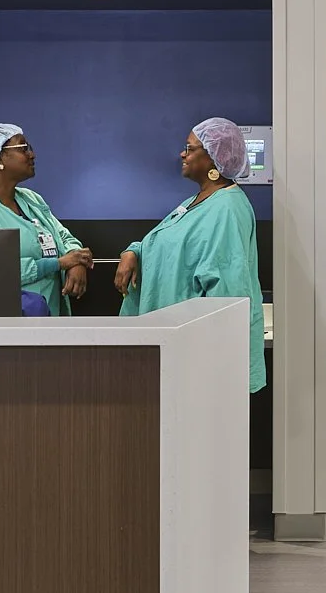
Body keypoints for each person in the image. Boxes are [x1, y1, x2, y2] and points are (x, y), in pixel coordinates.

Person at [114, 118, 267, 394]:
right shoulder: (196, 203)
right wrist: (132, 252)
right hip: (171, 341)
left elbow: (227, 292)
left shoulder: (226, 210)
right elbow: (163, 240)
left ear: (214, 158)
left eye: (190, 148)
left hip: (196, 355)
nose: (182, 154)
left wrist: (213, 365)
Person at [0, 123, 93, 316]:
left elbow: (64, 237)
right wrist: (59, 264)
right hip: (7, 328)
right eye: (23, 148)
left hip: (50, 321)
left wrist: (76, 261)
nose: (32, 155)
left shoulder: (30, 199)